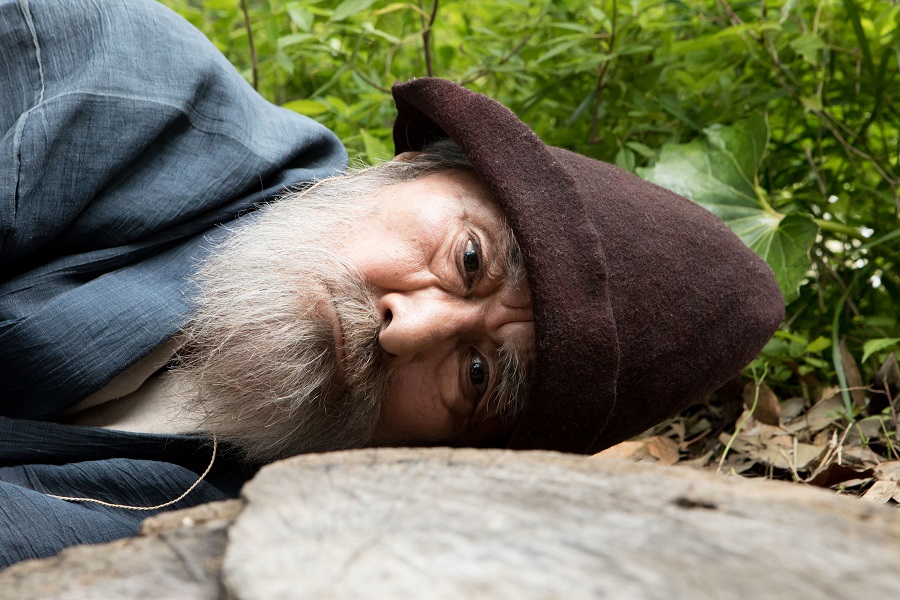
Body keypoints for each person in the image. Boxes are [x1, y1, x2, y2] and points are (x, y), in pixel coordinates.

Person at [0, 0, 783, 568]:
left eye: (476, 376)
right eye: (468, 260)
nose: (407, 330)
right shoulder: (100, 76)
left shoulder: (240, 546)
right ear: (408, 167)